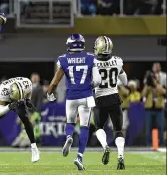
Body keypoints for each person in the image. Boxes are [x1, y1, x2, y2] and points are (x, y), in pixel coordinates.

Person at [46, 33, 101, 171]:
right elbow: (98, 80)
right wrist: (90, 86)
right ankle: (79, 157)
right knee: (84, 127)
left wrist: (49, 93)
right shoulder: (90, 58)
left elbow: (55, 82)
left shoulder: (63, 59)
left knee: (69, 122)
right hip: (86, 96)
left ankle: (69, 136)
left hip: (71, 97)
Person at [93, 36, 128, 170]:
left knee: (99, 128)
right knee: (118, 130)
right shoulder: (117, 61)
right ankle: (120, 156)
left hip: (100, 99)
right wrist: (113, 82)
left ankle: (105, 146)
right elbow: (124, 82)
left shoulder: (93, 62)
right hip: (114, 98)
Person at [142, 71, 166, 146]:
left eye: (155, 78)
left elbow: (164, 92)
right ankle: (148, 144)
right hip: (149, 109)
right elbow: (142, 94)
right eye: (153, 78)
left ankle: (162, 143)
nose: (154, 80)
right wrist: (147, 85)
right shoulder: (148, 86)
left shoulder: (161, 85)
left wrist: (156, 85)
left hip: (159, 110)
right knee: (148, 127)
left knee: (160, 127)